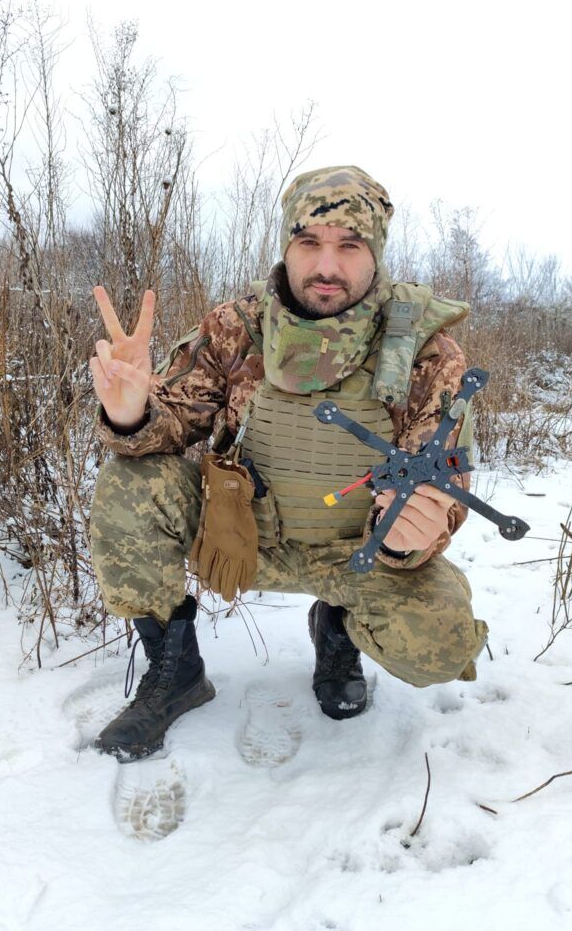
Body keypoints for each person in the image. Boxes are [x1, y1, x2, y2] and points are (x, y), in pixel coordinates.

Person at [88, 165, 488, 762]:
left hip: (355, 554)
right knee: (130, 480)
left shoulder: (427, 352)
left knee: (441, 644)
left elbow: (445, 482)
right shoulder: (237, 326)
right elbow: (173, 424)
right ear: (287, 246)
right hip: (243, 537)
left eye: (349, 246)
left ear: (374, 252)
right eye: (310, 243)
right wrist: (131, 414)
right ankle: (176, 671)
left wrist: (419, 534)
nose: (327, 266)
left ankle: (339, 632)